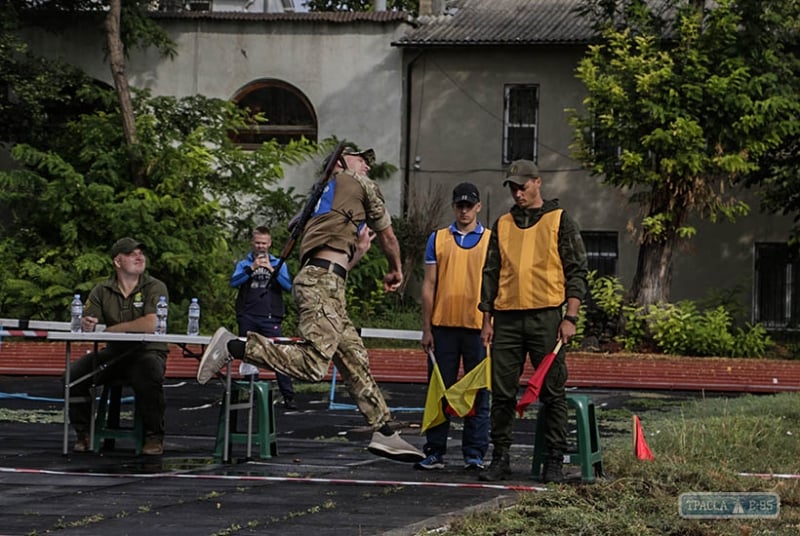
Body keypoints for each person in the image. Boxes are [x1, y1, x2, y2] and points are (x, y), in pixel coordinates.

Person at [197, 145, 425, 463]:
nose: (368, 168)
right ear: (341, 163)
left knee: (355, 358)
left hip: (327, 283)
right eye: (363, 160)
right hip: (321, 285)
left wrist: (357, 251)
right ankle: (235, 346)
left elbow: (328, 261)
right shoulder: (357, 184)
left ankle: (385, 433)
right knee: (313, 365)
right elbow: (387, 236)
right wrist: (395, 268)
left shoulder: (319, 202)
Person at [478, 160, 588, 483]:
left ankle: (554, 460)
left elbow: (576, 271)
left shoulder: (560, 220)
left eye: (522, 186)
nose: (517, 192)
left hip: (547, 318)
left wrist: (570, 317)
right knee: (501, 392)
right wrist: (487, 319)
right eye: (512, 187)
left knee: (552, 391)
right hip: (508, 319)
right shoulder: (502, 224)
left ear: (537, 183)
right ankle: (500, 457)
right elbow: (491, 273)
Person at [67, 237, 169, 456]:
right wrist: (88, 323)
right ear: (118, 261)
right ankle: (85, 433)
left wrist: (112, 329)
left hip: (147, 351)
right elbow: (88, 320)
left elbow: (151, 324)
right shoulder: (101, 289)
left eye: (141, 253)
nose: (139, 257)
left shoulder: (155, 286)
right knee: (74, 375)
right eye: (132, 254)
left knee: (148, 372)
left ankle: (154, 436)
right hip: (115, 353)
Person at [415, 182, 491, 471]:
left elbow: (493, 287)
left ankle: (474, 454)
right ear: (453, 207)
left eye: (469, 205)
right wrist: (426, 328)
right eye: (459, 205)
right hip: (443, 328)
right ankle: (435, 451)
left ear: (478, 207)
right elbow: (429, 285)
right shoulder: (437, 239)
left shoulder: (490, 241)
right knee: (438, 391)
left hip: (476, 329)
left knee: (478, 393)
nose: (464, 210)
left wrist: (488, 324)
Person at [231, 226, 297, 409]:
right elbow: (234, 282)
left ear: (269, 244)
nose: (260, 246)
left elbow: (288, 287)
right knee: (250, 355)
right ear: (253, 243)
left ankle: (288, 395)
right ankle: (252, 393)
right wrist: (251, 268)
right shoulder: (244, 264)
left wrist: (270, 269)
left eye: (264, 243)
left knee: (278, 355)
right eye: (257, 242)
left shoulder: (279, 263)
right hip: (248, 314)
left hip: (270, 316)